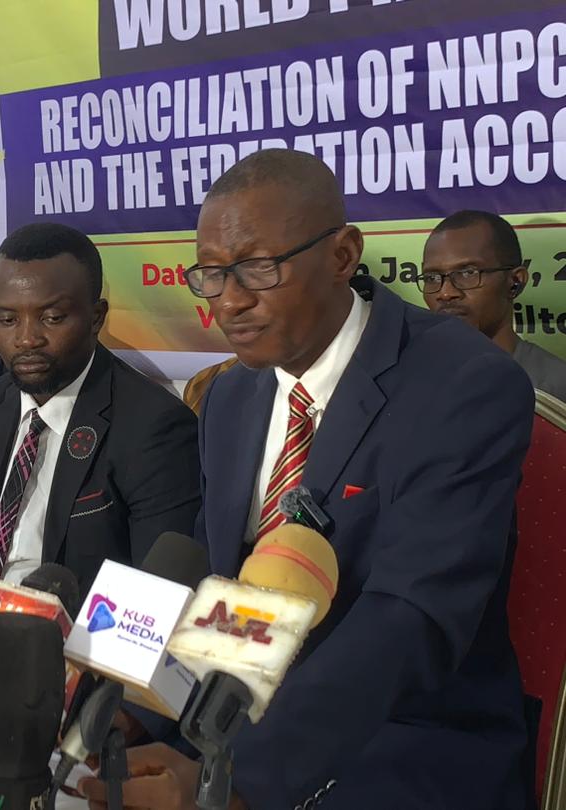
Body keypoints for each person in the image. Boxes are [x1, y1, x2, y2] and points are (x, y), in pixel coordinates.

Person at [84, 150, 533, 809]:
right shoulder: (230, 397)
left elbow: (411, 618)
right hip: (231, 715)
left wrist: (236, 780)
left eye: (258, 268)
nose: (230, 300)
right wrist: (134, 710)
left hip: (402, 739)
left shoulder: (463, 383)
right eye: (212, 274)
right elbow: (215, 578)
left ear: (343, 254)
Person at [0, 223, 200, 590]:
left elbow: (155, 598)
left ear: (96, 317)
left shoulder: (156, 428)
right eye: (7, 319)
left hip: (74, 621)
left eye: (52, 318)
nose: (26, 339)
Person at [421, 209, 566, 402]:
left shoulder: (555, 388)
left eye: (468, 273)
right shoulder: (409, 381)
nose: (445, 293)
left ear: (515, 281)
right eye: (432, 277)